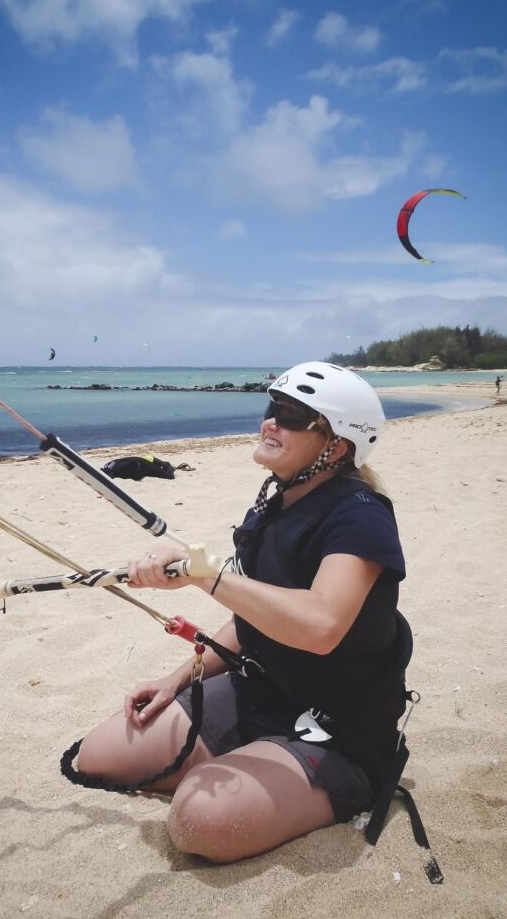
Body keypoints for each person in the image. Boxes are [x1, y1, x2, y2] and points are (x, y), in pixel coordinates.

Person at [77, 362, 408, 863]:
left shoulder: (360, 516)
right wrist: (177, 680)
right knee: (97, 757)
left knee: (200, 823)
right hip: (259, 690)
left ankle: (292, 781)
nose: (271, 421)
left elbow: (320, 625)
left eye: (294, 415)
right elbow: (253, 618)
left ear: (336, 447)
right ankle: (255, 772)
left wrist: (202, 575)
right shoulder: (278, 501)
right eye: (273, 408)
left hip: (336, 725)